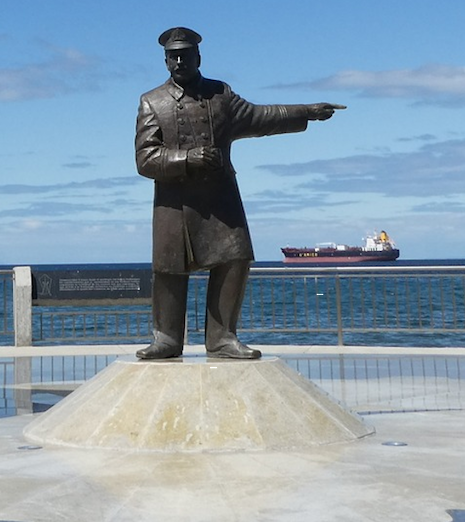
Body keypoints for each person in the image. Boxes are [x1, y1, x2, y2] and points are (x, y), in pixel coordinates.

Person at [133, 27, 342, 360]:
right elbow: (145, 159)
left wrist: (306, 111)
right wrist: (187, 158)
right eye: (172, 56)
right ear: (165, 60)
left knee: (235, 258)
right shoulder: (152, 102)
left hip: (219, 197)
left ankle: (222, 338)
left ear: (198, 57)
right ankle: (167, 339)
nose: (178, 61)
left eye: (184, 55)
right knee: (170, 269)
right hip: (175, 204)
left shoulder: (221, 95)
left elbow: (259, 117)